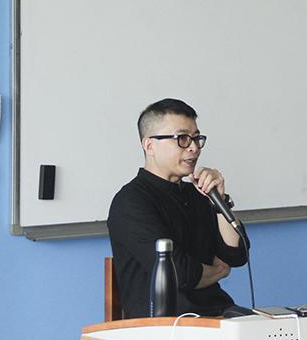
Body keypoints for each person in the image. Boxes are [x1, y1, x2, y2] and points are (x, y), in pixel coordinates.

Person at [107, 98, 249, 318]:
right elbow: (179, 274)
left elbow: (237, 254)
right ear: (150, 145)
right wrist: (220, 270)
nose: (194, 148)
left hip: (218, 313)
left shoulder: (199, 194)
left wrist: (219, 200)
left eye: (196, 138)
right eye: (182, 138)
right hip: (168, 323)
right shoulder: (131, 202)